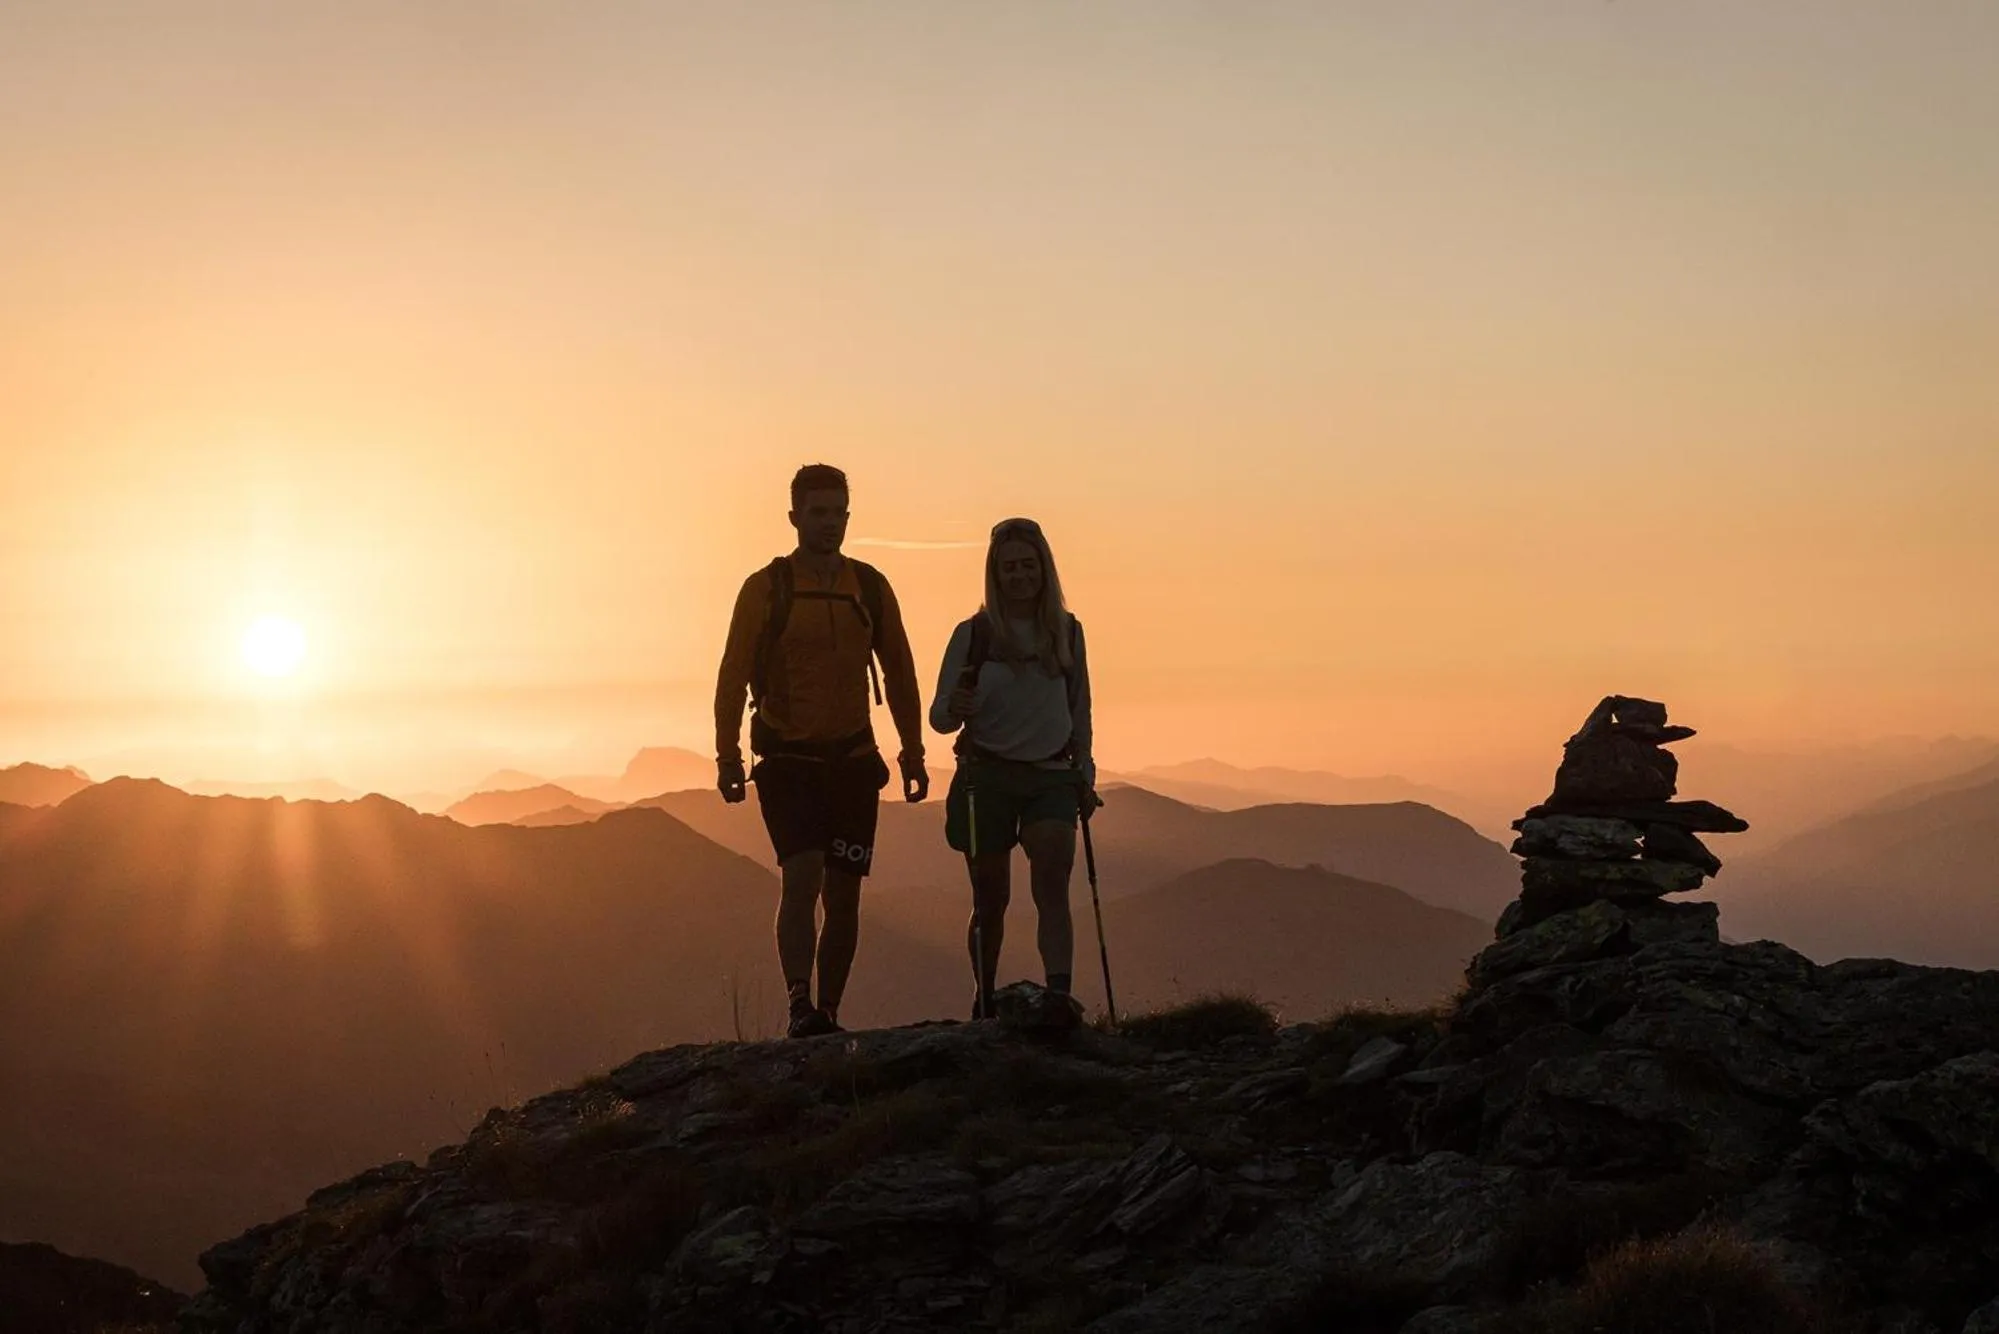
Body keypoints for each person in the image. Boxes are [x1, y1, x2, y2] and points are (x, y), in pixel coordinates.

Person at [715, 464, 928, 1039]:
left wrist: (913, 751)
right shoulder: (766, 587)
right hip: (787, 758)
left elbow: (900, 670)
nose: (830, 523)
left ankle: (828, 1012)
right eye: (818, 512)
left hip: (853, 759)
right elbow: (733, 674)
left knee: (844, 892)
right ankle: (799, 1005)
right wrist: (727, 757)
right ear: (795, 517)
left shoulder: (870, 586)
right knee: (802, 875)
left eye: (838, 513)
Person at [930, 517, 1094, 1021]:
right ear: (995, 575)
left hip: (1049, 775)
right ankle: (987, 998)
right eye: (1010, 568)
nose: (1019, 576)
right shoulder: (973, 634)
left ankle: (1057, 998)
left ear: (1044, 570)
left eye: (1028, 565)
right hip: (988, 776)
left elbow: (1079, 707)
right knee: (992, 896)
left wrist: (1084, 769)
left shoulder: (1067, 631)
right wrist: (956, 705)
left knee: (1052, 886)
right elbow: (939, 718)